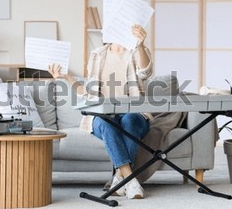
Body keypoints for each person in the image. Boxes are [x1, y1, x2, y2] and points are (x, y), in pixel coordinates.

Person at [48, 24, 153, 199]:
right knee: (105, 122)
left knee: (130, 120)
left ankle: (119, 178)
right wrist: (66, 77)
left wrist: (140, 45)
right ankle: (130, 179)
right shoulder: (98, 54)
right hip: (103, 115)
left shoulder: (136, 51)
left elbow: (145, 72)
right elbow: (87, 93)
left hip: (133, 113)